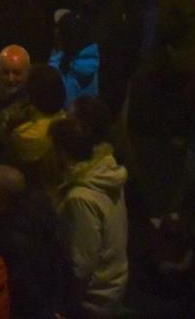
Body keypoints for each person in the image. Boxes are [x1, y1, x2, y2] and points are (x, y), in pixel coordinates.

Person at [52, 114, 129, 318]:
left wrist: (68, 305)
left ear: (62, 152)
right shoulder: (106, 172)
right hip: (114, 280)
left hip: (94, 297)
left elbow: (83, 262)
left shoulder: (81, 197)